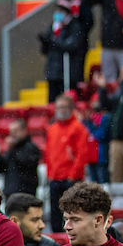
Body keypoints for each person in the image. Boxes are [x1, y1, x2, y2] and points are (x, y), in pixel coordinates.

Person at [45, 96, 89, 233]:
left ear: (71, 109)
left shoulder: (78, 128)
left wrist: (73, 175)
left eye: (64, 107)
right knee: (55, 215)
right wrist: (50, 174)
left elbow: (82, 154)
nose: (61, 110)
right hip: (55, 178)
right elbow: (48, 153)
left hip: (71, 179)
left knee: (72, 213)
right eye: (59, 107)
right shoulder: (52, 129)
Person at [39, 3, 86, 102]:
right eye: (57, 11)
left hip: (67, 73)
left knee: (66, 101)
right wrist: (44, 43)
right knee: (52, 102)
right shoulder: (53, 28)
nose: (58, 14)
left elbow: (71, 46)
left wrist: (52, 43)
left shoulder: (74, 27)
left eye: (61, 11)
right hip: (53, 73)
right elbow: (45, 50)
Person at [0, 119, 41, 197]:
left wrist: (12, 150)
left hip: (26, 193)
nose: (13, 135)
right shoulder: (12, 149)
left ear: (24, 130)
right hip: (10, 193)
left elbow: (26, 164)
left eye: (16, 131)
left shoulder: (31, 147)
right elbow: (2, 170)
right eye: (11, 132)